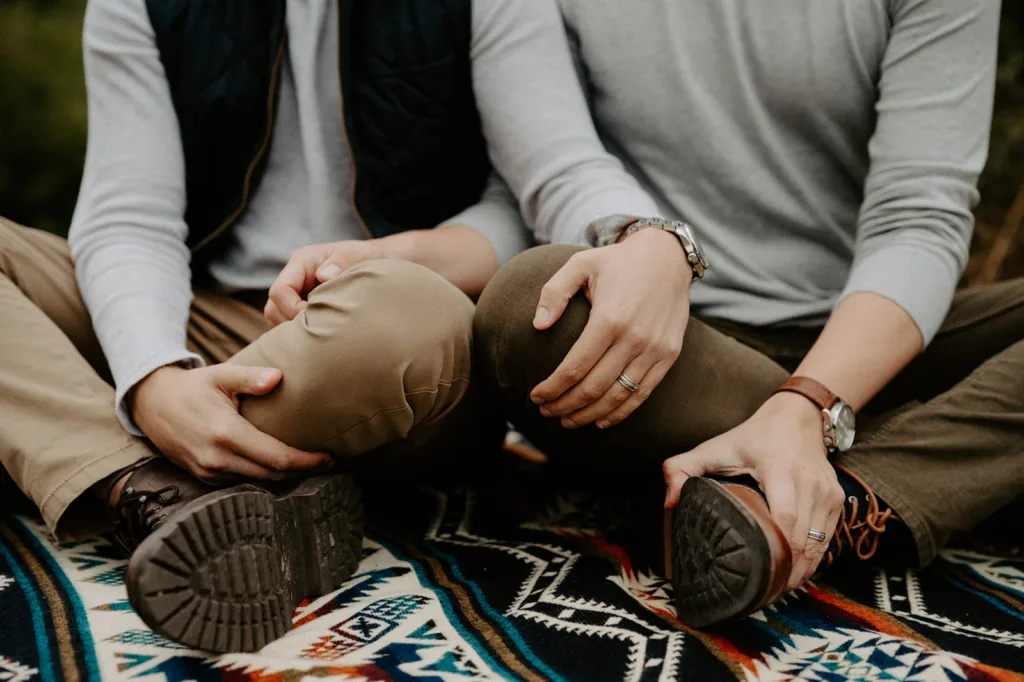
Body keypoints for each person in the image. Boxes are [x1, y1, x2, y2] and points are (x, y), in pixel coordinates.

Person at [0, 0, 663, 653]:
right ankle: (146, 486)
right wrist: (154, 377)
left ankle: (65, 439)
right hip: (207, 322)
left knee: (404, 310)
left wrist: (643, 240)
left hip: (394, 332)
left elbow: (540, 188)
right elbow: (129, 217)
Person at [474, 0, 1021, 628]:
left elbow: (918, 217)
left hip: (862, 339)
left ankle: (843, 500)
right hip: (676, 347)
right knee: (530, 307)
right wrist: (648, 238)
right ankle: (949, 462)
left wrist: (807, 407)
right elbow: (554, 161)